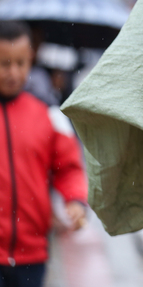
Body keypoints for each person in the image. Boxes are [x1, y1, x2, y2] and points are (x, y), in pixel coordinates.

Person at [0, 21, 88, 287]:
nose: (13, 72)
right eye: (4, 63)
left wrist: (74, 200)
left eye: (20, 62)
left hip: (33, 251)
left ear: (31, 59)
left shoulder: (48, 114)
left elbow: (69, 167)